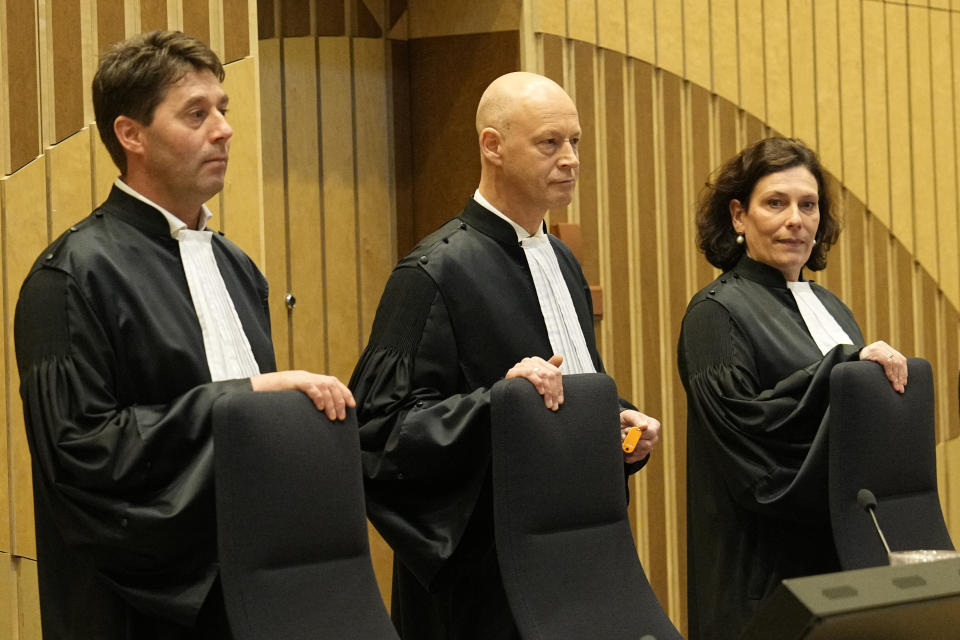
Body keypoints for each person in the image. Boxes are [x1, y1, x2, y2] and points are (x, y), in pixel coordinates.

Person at [14, 30, 354, 640]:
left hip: (256, 589)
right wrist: (244, 399)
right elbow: (81, 455)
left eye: (223, 110)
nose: (223, 129)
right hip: (138, 606)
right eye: (196, 114)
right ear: (131, 135)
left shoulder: (237, 266)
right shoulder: (71, 275)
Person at [349, 71, 662, 639]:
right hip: (483, 576)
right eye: (550, 142)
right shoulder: (432, 271)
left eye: (575, 142)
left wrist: (615, 424)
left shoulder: (561, 260)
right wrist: (495, 404)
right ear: (492, 146)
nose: (570, 158)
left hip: (576, 552)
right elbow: (379, 433)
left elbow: (562, 391)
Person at [677, 137, 908, 639]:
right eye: (775, 203)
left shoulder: (831, 307)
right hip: (762, 576)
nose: (796, 220)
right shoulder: (715, 313)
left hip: (840, 560)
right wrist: (842, 369)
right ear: (738, 215)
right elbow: (749, 442)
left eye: (808, 205)